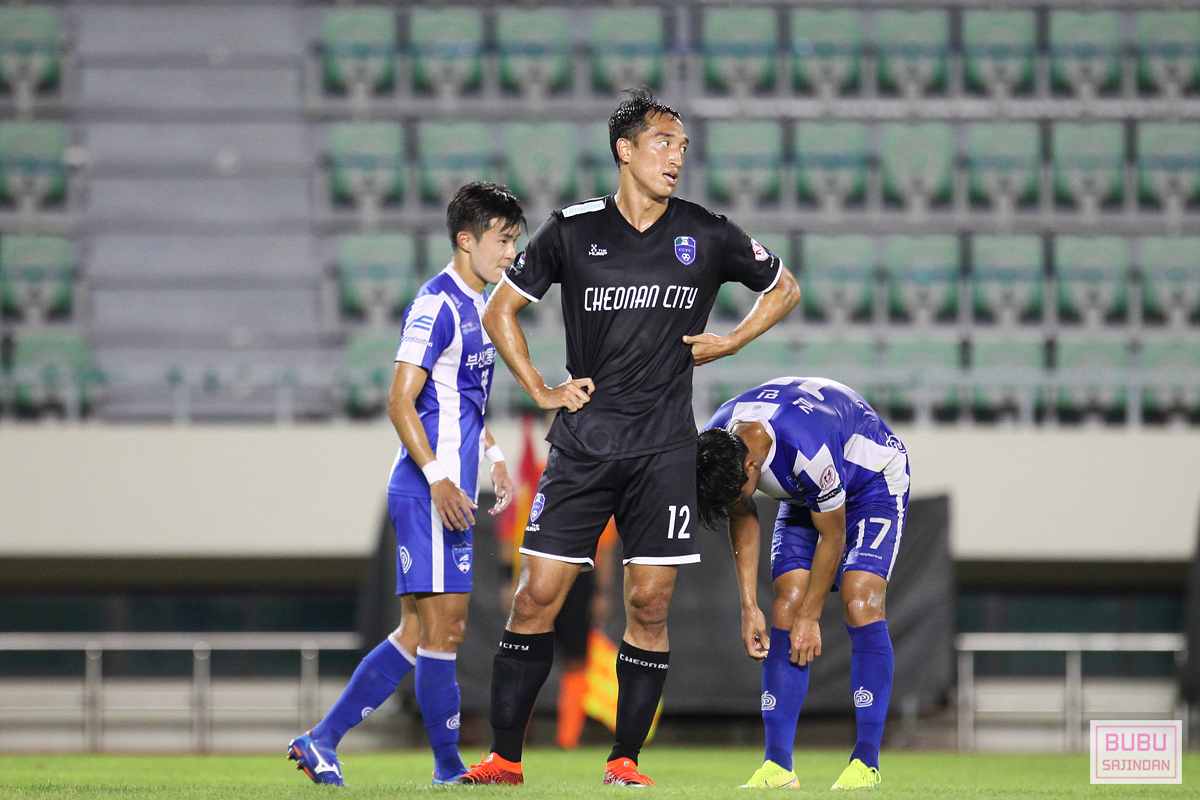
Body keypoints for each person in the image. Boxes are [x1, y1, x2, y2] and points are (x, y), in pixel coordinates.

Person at [458, 87, 801, 787]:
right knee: (535, 596)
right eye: (662, 143)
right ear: (625, 149)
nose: (676, 157)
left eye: (683, 147)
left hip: (665, 453)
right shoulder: (571, 229)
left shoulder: (707, 232)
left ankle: (624, 761)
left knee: (649, 605)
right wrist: (541, 389)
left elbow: (785, 287)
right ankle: (503, 759)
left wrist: (733, 341)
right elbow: (499, 311)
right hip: (583, 446)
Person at [287, 182, 523, 786]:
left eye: (514, 241)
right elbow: (399, 400)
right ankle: (447, 769)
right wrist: (440, 479)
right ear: (465, 240)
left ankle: (321, 740)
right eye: (502, 240)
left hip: (447, 488)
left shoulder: (483, 305)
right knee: (445, 629)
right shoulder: (436, 305)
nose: (510, 253)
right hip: (428, 491)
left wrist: (493, 454)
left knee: (419, 632)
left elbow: (461, 399)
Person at [696, 377, 910, 790]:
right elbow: (741, 513)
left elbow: (834, 535)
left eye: (737, 493)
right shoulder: (717, 442)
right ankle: (777, 766)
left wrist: (812, 617)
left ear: (751, 467)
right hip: (805, 495)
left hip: (871, 483)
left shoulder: (806, 450)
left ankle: (865, 762)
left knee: (859, 600)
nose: (736, 501)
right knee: (784, 608)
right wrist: (748, 605)